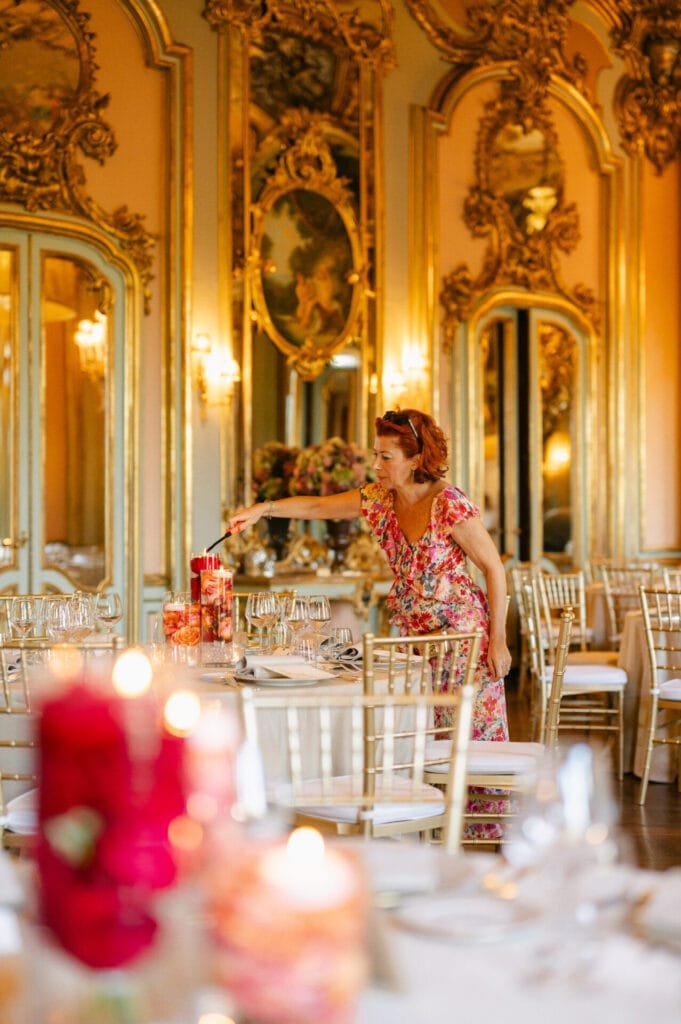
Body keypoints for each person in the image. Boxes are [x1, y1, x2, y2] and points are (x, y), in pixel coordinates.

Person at [228, 408, 512, 744]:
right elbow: (319, 507)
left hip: (465, 646)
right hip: (416, 649)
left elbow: (494, 568)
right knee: (426, 745)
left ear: (416, 459)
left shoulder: (448, 503)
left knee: (472, 744)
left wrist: (498, 641)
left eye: (386, 457)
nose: (376, 465)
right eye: (376, 454)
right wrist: (263, 509)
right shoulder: (380, 500)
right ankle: (434, 800)